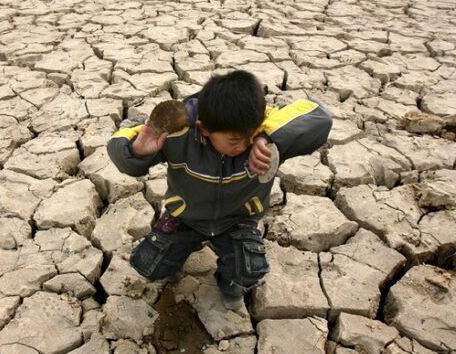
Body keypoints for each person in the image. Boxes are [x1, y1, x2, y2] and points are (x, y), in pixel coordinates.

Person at [107, 70, 333, 310]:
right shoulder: (177, 132)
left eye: (250, 136)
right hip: (185, 219)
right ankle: (181, 249)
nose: (243, 147)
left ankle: (230, 286)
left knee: (248, 270)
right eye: (234, 142)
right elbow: (122, 152)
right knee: (148, 265)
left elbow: (319, 117)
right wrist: (139, 151)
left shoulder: (260, 133)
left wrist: (264, 137)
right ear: (204, 129)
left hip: (237, 221)